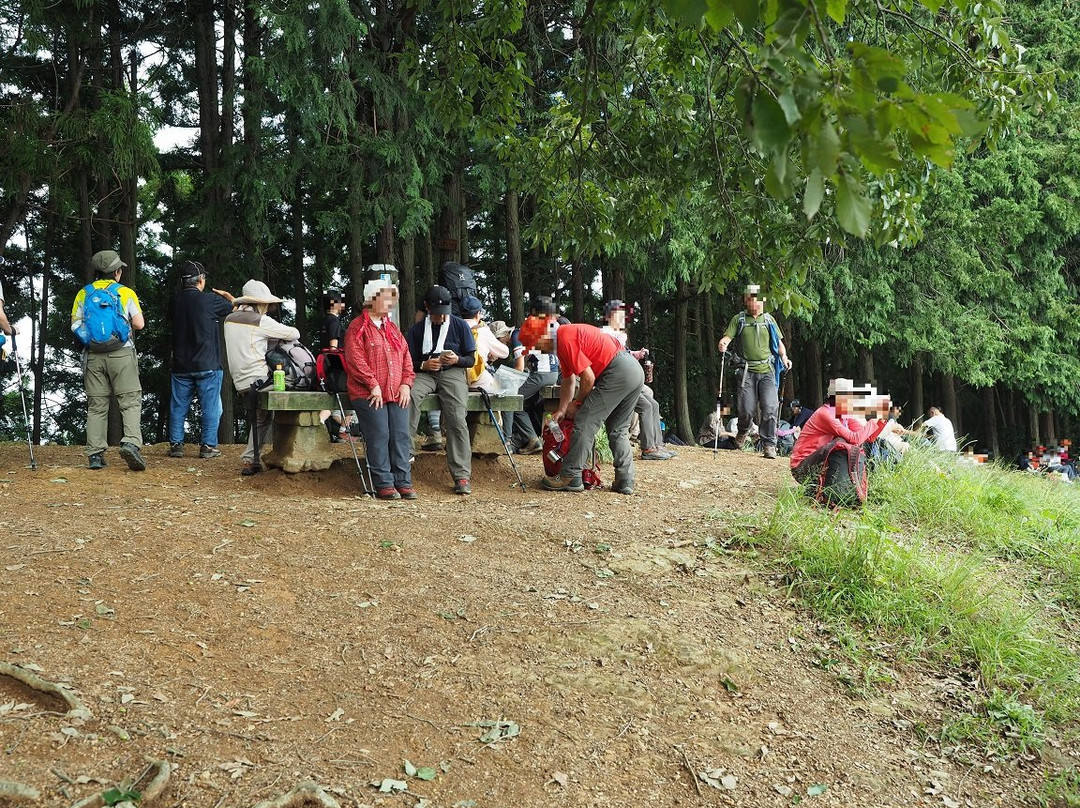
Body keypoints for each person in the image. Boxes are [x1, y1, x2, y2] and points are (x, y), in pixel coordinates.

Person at [519, 315, 644, 495]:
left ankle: (570, 476)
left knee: (584, 421)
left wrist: (578, 404)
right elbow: (569, 380)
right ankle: (625, 479)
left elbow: (588, 378)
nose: (538, 350)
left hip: (616, 371)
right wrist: (562, 409)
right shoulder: (564, 339)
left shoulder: (564, 338)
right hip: (633, 369)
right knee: (618, 429)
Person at [70, 250, 147, 471]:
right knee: (130, 401)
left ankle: (95, 454)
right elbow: (139, 324)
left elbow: (75, 324)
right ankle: (131, 443)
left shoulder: (83, 294)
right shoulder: (126, 293)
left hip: (93, 355)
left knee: (97, 405)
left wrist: (91, 340)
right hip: (122, 353)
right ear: (117, 272)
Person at [344, 279, 416, 500]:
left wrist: (406, 383)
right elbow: (355, 360)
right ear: (371, 299)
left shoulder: (392, 328)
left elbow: (406, 358)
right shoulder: (357, 327)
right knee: (379, 434)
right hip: (368, 392)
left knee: (401, 435)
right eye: (386, 298)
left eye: (392, 298)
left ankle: (403, 481)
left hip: (395, 392)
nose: (390, 303)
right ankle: (383, 482)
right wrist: (372, 384)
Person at [223, 279, 300, 476]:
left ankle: (251, 459)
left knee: (261, 417)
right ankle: (285, 451)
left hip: (240, 381)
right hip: (259, 380)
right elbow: (294, 333)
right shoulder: (260, 321)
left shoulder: (230, 318)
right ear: (261, 303)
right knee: (300, 382)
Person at [405, 285, 476, 495]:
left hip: (452, 372)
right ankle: (404, 458)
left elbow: (471, 359)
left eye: (443, 314)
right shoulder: (417, 330)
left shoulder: (460, 325)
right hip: (425, 373)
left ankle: (461, 475)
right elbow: (408, 361)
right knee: (408, 397)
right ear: (427, 308)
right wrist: (423, 366)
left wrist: (457, 359)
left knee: (456, 415)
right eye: (436, 314)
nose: (440, 318)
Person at [167, 260, 235, 459]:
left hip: (181, 364)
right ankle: (208, 446)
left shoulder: (174, 301)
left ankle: (176, 445)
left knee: (178, 405)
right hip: (208, 363)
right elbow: (234, 307)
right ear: (201, 280)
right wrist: (228, 296)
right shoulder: (210, 301)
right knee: (211, 406)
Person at [717, 284, 793, 459]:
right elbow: (727, 338)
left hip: (767, 371)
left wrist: (784, 357)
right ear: (746, 300)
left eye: (758, 299)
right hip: (746, 372)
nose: (755, 303)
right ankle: (743, 431)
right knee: (746, 409)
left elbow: (778, 342)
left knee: (769, 407)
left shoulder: (769, 320)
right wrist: (723, 343)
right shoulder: (740, 319)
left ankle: (769, 444)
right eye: (751, 299)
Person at [789, 379, 888, 507]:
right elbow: (854, 438)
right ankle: (824, 490)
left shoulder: (845, 415)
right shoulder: (825, 414)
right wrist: (873, 419)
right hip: (801, 468)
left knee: (853, 445)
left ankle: (847, 489)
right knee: (841, 442)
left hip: (819, 460)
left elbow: (867, 438)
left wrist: (881, 418)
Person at [601, 299, 674, 461]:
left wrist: (636, 354)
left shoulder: (617, 335)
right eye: (620, 315)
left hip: (624, 379)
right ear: (609, 316)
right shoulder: (607, 334)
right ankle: (648, 448)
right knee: (647, 406)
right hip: (616, 382)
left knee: (653, 404)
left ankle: (657, 444)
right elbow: (613, 358)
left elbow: (622, 354)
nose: (623, 319)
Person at [319, 289, 351, 443]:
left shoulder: (325, 320)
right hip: (336, 367)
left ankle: (341, 430)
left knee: (331, 399)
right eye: (340, 301)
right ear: (334, 304)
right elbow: (333, 348)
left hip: (326, 366)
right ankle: (343, 431)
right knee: (349, 393)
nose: (342, 304)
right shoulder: (334, 321)